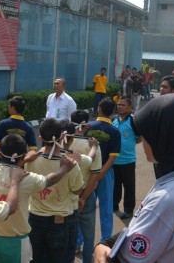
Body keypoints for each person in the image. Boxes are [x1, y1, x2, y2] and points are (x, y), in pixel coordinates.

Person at [93, 94, 174, 263]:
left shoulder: (167, 200)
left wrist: (101, 246)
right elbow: (145, 228)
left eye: (148, 134)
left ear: (163, 137)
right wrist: (108, 242)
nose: (144, 142)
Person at [0, 134, 76, 263]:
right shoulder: (27, 178)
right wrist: (64, 168)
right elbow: (48, 181)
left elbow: (10, 165)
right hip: (16, 241)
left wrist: (24, 160)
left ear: (0, 153)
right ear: (23, 156)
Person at [25, 118, 83, 263]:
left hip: (35, 218)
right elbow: (77, 191)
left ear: (40, 138)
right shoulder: (70, 164)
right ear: (62, 136)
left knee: (36, 258)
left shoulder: (30, 160)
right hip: (59, 221)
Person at [86, 98, 121, 240]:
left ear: (99, 109)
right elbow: (112, 157)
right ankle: (105, 239)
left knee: (85, 207)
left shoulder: (88, 127)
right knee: (106, 207)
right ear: (113, 112)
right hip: (105, 173)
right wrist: (102, 172)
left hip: (87, 172)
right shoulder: (115, 131)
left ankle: (79, 241)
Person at [69, 110, 101, 263]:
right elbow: (95, 176)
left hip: (66, 195)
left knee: (67, 236)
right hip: (86, 195)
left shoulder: (63, 142)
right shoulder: (92, 144)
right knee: (88, 238)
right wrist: (83, 197)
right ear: (86, 126)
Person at [112, 96, 141, 220]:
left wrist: (129, 144)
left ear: (130, 107)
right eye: (119, 104)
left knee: (129, 186)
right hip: (114, 160)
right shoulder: (113, 120)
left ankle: (129, 210)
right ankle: (114, 205)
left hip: (128, 160)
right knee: (115, 185)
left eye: (123, 105)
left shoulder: (134, 121)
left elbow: (140, 137)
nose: (120, 107)